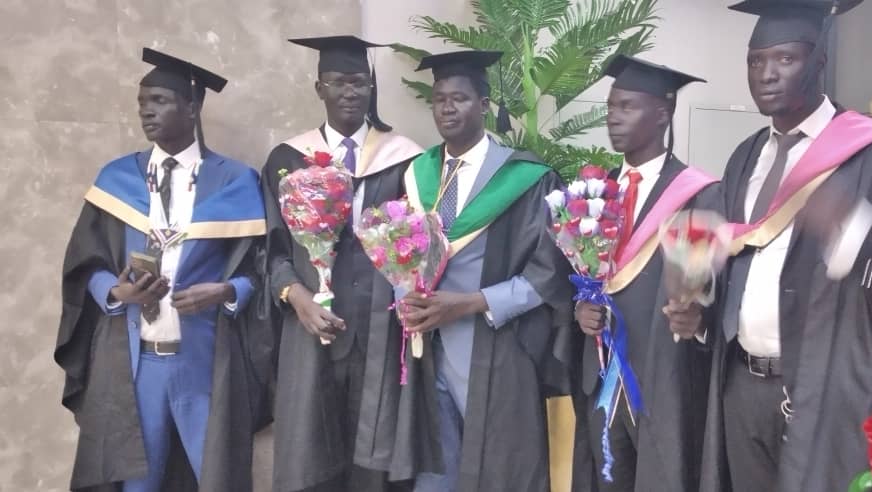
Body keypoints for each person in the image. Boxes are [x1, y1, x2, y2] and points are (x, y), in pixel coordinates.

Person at [685, 1, 872, 490]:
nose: (766, 74)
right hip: (742, 389)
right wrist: (700, 311)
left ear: (819, 62)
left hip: (835, 393)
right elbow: (736, 268)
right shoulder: (744, 158)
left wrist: (851, 232)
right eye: (756, 60)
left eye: (785, 58)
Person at [56, 48, 269, 491]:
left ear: (192, 107)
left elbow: (261, 267)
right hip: (136, 363)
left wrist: (226, 291)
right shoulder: (117, 180)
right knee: (137, 481)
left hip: (204, 359)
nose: (146, 111)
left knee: (217, 478)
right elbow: (85, 261)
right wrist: (116, 293)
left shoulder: (235, 181)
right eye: (142, 103)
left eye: (159, 100)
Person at [394, 49, 574, 492]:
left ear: (485, 105)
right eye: (439, 99)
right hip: (425, 352)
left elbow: (550, 270)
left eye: (459, 98)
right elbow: (400, 252)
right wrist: (404, 296)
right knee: (435, 473)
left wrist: (474, 302)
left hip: (495, 348)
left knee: (498, 471)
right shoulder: (418, 174)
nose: (448, 108)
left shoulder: (526, 178)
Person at [260, 35, 423, 492]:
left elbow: (417, 242)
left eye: (359, 82)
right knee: (310, 452)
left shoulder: (405, 159)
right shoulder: (287, 160)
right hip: (310, 327)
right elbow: (270, 250)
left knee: (375, 456)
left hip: (381, 331)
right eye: (338, 82)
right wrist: (297, 297)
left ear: (371, 88)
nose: (349, 92)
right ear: (319, 89)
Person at [570, 55, 720, 492]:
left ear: (662, 114)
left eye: (627, 106)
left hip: (664, 381)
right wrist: (580, 309)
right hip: (602, 377)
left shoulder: (697, 194)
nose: (613, 118)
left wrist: (699, 317)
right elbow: (579, 277)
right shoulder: (593, 196)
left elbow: (710, 290)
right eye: (610, 107)